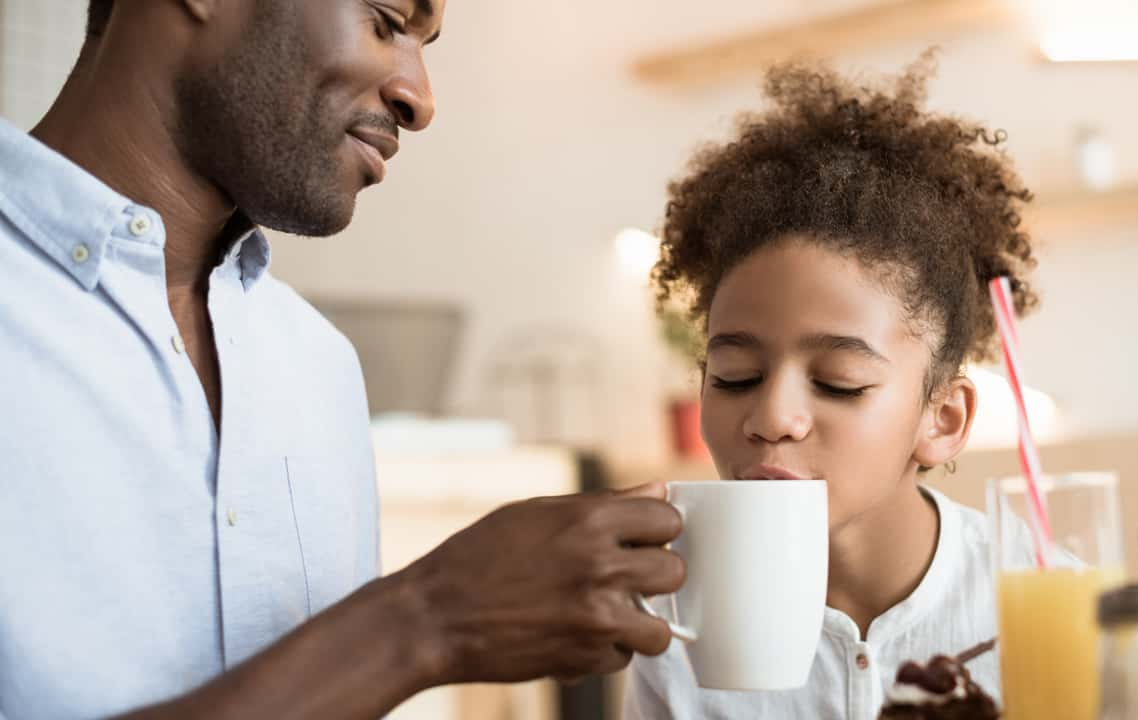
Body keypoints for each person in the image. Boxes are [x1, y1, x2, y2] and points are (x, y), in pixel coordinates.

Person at [0, 2, 683, 718]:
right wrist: (425, 622)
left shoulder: (318, 366)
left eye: (426, 45)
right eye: (387, 19)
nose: (420, 100)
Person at [624, 57, 1041, 719]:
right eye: (735, 376)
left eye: (839, 383)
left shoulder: (1047, 603)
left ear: (942, 417)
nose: (771, 417)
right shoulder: (668, 619)